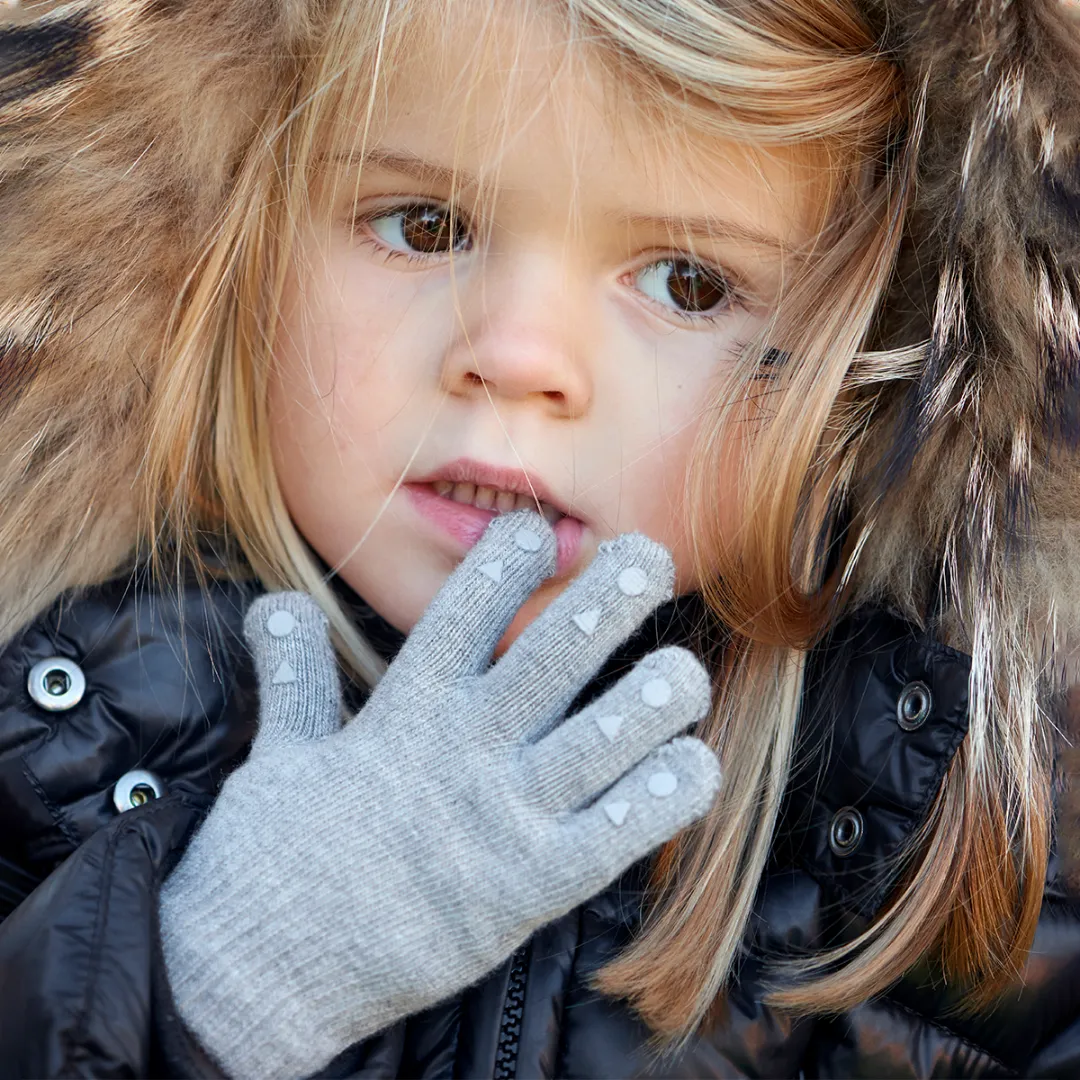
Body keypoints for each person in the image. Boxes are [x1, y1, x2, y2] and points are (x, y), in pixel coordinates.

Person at [1, 0, 1079, 1076]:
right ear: (223, 232)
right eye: (425, 225)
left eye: (688, 283)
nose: (518, 357)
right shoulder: (47, 744)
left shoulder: (973, 840)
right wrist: (221, 980)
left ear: (863, 375)